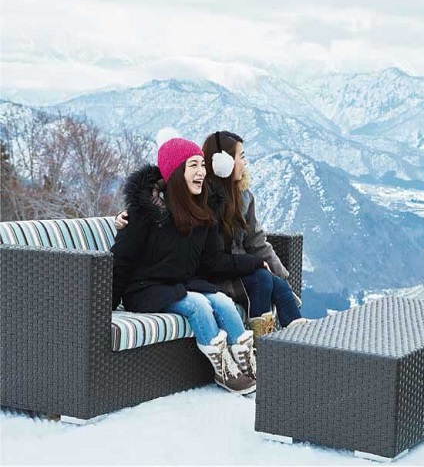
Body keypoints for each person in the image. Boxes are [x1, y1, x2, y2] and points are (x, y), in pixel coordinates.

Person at [111, 138, 263, 394]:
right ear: (176, 172)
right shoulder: (146, 213)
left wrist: (254, 262)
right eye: (193, 165)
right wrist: (106, 305)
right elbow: (121, 259)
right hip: (145, 289)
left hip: (180, 284)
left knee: (223, 302)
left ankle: (248, 363)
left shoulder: (203, 213)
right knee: (198, 304)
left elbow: (212, 261)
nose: (201, 172)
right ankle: (223, 369)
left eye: (202, 165)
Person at [201, 130, 306, 347]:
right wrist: (256, 264)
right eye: (241, 156)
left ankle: (298, 342)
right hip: (216, 275)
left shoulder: (244, 197)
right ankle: (259, 346)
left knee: (279, 286)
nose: (244, 162)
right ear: (223, 163)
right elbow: (213, 259)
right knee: (261, 279)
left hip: (241, 269)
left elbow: (257, 241)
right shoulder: (205, 200)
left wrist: (282, 276)